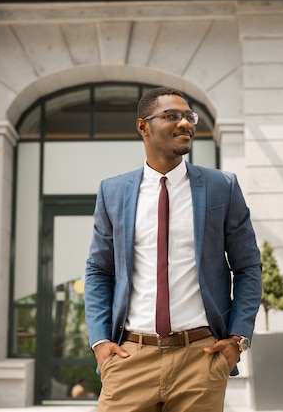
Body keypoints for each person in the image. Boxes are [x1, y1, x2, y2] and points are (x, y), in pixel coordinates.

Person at [85, 87, 262, 412]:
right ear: (143, 126)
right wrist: (100, 342)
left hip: (201, 358)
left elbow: (248, 266)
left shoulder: (222, 187)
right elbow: (99, 270)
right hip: (130, 358)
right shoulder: (113, 192)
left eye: (189, 116)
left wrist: (238, 339)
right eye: (172, 116)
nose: (185, 124)